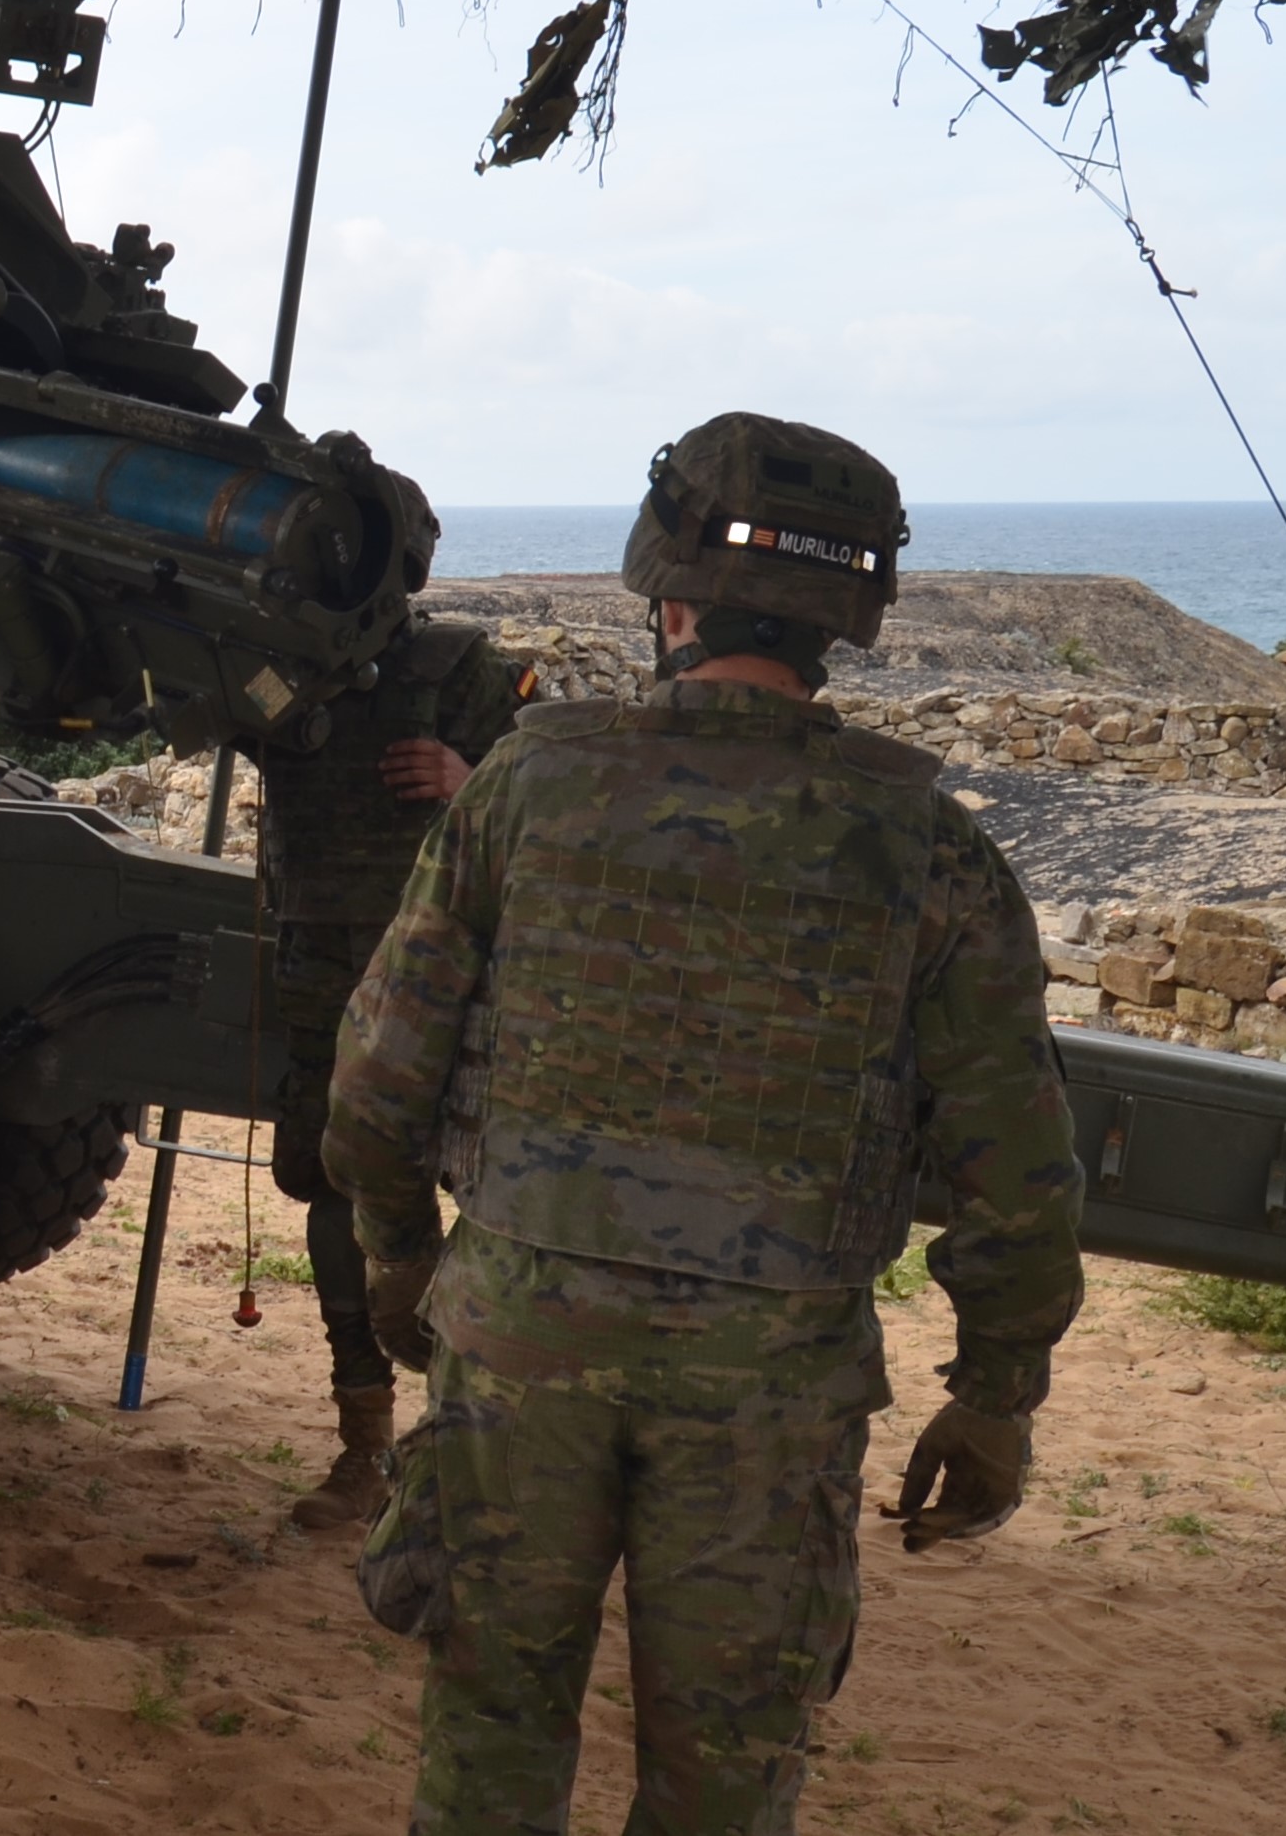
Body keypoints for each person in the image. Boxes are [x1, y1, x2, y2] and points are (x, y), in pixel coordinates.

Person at [323, 413, 1085, 1832]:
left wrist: (398, 1255)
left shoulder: (523, 790)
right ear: (846, 618)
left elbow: (378, 1084)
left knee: (489, 1736)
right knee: (727, 1776)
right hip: (771, 1384)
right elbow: (1019, 1171)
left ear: (667, 592)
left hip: (518, 1342)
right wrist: (996, 1398)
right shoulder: (929, 847)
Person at [249, 612, 534, 1528]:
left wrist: (471, 779)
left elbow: (565, 803)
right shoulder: (275, 665)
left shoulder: (463, 670)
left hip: (453, 978)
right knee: (335, 1192)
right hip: (321, 975)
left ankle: (473, 1449)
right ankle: (363, 1446)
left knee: (495, 1207)